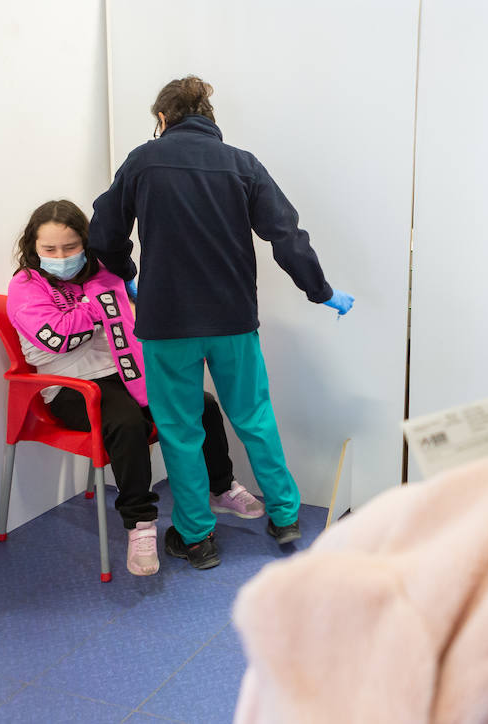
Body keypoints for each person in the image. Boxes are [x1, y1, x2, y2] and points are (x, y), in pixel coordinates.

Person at [89, 76, 354, 570]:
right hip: (232, 320)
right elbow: (287, 236)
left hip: (166, 323)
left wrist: (127, 276)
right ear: (210, 119)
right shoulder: (241, 164)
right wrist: (320, 291)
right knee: (254, 416)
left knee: (180, 429)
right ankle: (285, 516)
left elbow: (102, 232)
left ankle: (196, 537)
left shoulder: (144, 161)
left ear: (162, 120)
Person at [6, 200, 268, 577]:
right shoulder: (25, 286)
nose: (61, 257)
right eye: (49, 250)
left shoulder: (102, 276)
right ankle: (140, 523)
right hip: (68, 387)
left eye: (71, 247)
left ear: (87, 243)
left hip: (125, 374)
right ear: (33, 248)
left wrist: (112, 298)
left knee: (202, 404)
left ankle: (221, 487)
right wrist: (99, 305)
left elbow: (130, 320)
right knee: (127, 422)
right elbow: (57, 339)